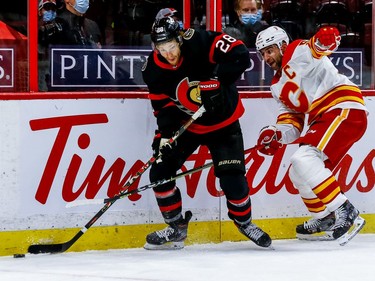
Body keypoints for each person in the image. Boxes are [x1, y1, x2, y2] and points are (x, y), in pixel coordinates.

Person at [141, 16, 272, 250]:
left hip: (224, 123)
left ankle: (244, 222)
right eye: (161, 49)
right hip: (188, 125)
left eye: (171, 47)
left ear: (180, 39)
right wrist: (164, 136)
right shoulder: (152, 69)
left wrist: (218, 82)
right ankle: (176, 227)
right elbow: (164, 107)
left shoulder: (200, 41)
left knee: (233, 179)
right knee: (160, 173)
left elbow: (240, 54)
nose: (168, 54)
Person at [255, 25, 368, 245]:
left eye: (269, 50)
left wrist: (327, 38)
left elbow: (319, 47)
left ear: (282, 45)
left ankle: (345, 210)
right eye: (262, 54)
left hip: (343, 107)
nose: (266, 57)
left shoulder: (297, 50)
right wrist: (275, 134)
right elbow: (292, 123)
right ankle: (325, 217)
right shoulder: (277, 86)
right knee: (298, 171)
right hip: (324, 118)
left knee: (303, 158)